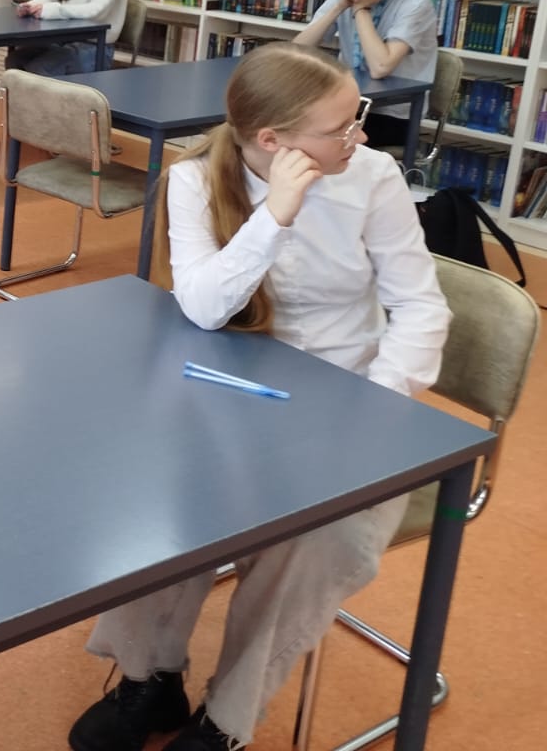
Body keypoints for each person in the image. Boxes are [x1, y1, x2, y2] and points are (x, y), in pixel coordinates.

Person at [69, 42, 449, 751]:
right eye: (341, 127)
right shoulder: (194, 179)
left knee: (319, 538)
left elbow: (422, 308)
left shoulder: (374, 176)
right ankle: (150, 675)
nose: (360, 135)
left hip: (349, 399)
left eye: (358, 117)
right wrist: (274, 215)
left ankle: (227, 718)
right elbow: (204, 307)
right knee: (161, 490)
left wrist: (380, 401)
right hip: (233, 394)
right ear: (273, 142)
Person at [292, 0, 437, 150]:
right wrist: (338, 8)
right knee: (286, 127)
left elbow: (380, 68)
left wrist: (361, 9)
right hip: (347, 103)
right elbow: (296, 51)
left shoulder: (414, 2)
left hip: (394, 114)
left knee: (313, 143)